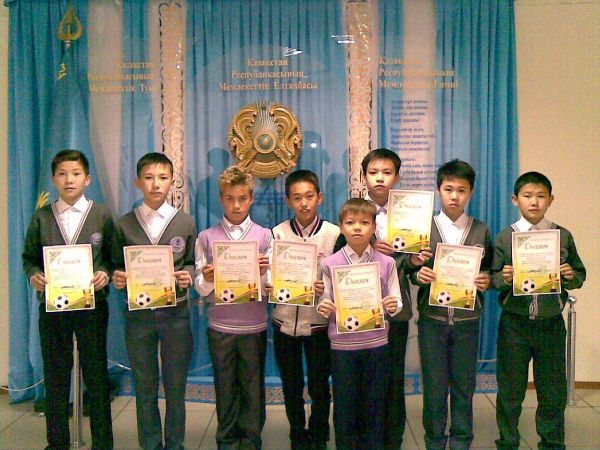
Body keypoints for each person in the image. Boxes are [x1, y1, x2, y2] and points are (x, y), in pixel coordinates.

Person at [334, 148, 430, 448]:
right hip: (357, 314)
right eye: (373, 172)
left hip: (395, 313)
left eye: (387, 173)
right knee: (358, 382)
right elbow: (339, 264)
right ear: (363, 177)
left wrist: (412, 262)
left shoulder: (410, 217)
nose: (380, 178)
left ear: (397, 177)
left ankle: (391, 439)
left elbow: (413, 271)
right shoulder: (354, 215)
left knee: (391, 379)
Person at [22, 149, 114, 450]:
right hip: (54, 307)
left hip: (92, 306)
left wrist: (104, 273)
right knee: (56, 375)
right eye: (62, 174)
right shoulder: (42, 216)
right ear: (54, 179)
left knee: (96, 375)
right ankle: (57, 442)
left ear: (87, 179)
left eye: (75, 173)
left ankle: (103, 443)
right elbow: (29, 258)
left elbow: (111, 258)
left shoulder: (101, 215)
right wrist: (34, 276)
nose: (69, 179)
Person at [491, 171, 586, 450]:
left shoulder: (562, 236)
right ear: (515, 200)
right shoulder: (506, 236)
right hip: (514, 324)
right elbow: (491, 278)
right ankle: (508, 441)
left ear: (550, 200)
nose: (534, 202)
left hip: (550, 324)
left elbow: (580, 274)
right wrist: (503, 278)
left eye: (541, 196)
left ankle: (552, 442)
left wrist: (570, 275)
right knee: (510, 389)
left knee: (552, 389)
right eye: (527, 196)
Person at [112, 152, 196, 450]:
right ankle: (149, 443)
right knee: (144, 385)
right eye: (149, 178)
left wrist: (188, 275)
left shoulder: (185, 222)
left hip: (176, 315)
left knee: (175, 386)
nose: (156, 184)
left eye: (162, 177)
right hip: (139, 317)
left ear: (172, 181)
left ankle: (175, 443)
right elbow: (115, 266)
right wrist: (118, 278)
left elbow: (192, 262)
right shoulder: (124, 224)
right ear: (138, 182)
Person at [412, 159, 492, 449]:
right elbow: (409, 268)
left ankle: (461, 441)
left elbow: (490, 269)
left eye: (461, 190)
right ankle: (434, 440)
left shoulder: (480, 230)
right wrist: (417, 273)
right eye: (448, 189)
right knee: (434, 387)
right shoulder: (424, 228)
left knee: (464, 386)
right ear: (438, 190)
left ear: (471, 192)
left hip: (467, 322)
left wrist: (487, 279)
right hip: (432, 320)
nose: (454, 196)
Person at [194, 165, 272, 450]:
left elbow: (272, 284)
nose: (236, 205)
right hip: (220, 326)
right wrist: (207, 279)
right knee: (225, 387)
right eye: (229, 198)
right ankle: (226, 441)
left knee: (252, 389)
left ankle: (251, 441)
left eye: (242, 198)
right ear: (221, 198)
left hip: (254, 325)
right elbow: (199, 287)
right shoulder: (206, 237)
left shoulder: (265, 236)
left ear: (251, 199)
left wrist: (263, 273)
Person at [318, 198, 400, 450]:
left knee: (375, 405)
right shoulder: (329, 264)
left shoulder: (387, 263)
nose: (357, 227)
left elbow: (397, 300)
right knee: (345, 406)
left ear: (374, 227)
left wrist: (393, 305)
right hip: (343, 348)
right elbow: (323, 299)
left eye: (364, 223)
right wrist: (323, 306)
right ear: (341, 227)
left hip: (377, 345)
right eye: (350, 222)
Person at [271, 170, 340, 450]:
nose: (304, 203)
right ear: (288, 201)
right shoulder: (277, 233)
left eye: (309, 196)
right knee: (291, 384)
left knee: (320, 385)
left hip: (319, 323)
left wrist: (326, 287)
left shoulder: (334, 234)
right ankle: (297, 433)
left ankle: (320, 434)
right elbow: (268, 276)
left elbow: (342, 277)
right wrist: (271, 283)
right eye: (297, 198)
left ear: (319, 198)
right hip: (284, 323)